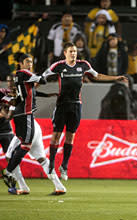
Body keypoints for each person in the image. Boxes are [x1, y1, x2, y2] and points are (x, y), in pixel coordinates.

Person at [43, 42, 127, 181]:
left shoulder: (83, 65)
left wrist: (115, 77)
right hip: (62, 105)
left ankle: (64, 166)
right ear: (65, 53)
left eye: (75, 51)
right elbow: (43, 77)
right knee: (56, 135)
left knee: (70, 136)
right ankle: (51, 165)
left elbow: (97, 75)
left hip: (76, 105)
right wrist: (31, 86)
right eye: (71, 51)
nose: (73, 54)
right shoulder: (58, 66)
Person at [0, 53, 47, 188]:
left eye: (31, 62)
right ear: (21, 63)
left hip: (22, 114)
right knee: (26, 145)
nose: (30, 64)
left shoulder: (20, 76)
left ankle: (10, 173)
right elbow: (43, 81)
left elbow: (20, 97)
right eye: (27, 61)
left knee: (24, 145)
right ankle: (7, 171)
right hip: (25, 114)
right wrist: (41, 76)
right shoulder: (24, 73)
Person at [5, 119, 66, 195]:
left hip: (25, 129)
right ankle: (60, 187)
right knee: (42, 159)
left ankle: (23, 187)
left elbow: (8, 115)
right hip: (35, 127)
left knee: (9, 157)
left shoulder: (15, 107)